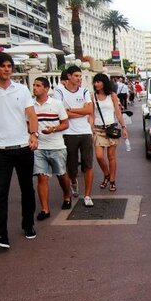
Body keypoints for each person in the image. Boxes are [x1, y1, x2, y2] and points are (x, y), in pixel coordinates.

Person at [0, 52, 39, 249]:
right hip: (1, 151)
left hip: (23, 148)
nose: (7, 69)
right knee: (0, 193)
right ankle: (1, 235)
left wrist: (33, 135)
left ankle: (28, 224)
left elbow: (31, 115)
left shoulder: (21, 90)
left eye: (9, 66)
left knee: (27, 189)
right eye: (3, 65)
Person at [53, 65, 95, 207]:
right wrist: (80, 112)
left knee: (88, 164)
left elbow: (89, 110)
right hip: (68, 133)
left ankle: (88, 195)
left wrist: (70, 110)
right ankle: (73, 182)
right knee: (71, 167)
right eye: (76, 76)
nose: (79, 79)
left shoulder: (84, 91)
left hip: (85, 132)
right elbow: (60, 113)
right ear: (69, 76)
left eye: (80, 76)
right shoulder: (59, 91)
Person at [32, 77, 72, 220]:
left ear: (46, 88)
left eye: (38, 85)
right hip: (39, 147)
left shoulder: (56, 104)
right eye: (34, 85)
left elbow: (65, 124)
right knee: (42, 177)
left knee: (61, 174)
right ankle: (45, 209)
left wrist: (53, 129)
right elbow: (28, 124)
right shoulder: (31, 105)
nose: (35, 88)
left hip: (56, 146)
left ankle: (67, 195)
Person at [91, 73, 127, 192]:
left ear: (104, 83)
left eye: (98, 82)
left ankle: (112, 180)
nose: (96, 84)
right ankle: (106, 174)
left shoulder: (112, 96)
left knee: (111, 157)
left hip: (111, 128)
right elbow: (91, 114)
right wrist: (90, 129)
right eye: (95, 82)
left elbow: (118, 112)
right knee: (99, 156)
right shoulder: (93, 96)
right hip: (98, 129)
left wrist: (124, 127)